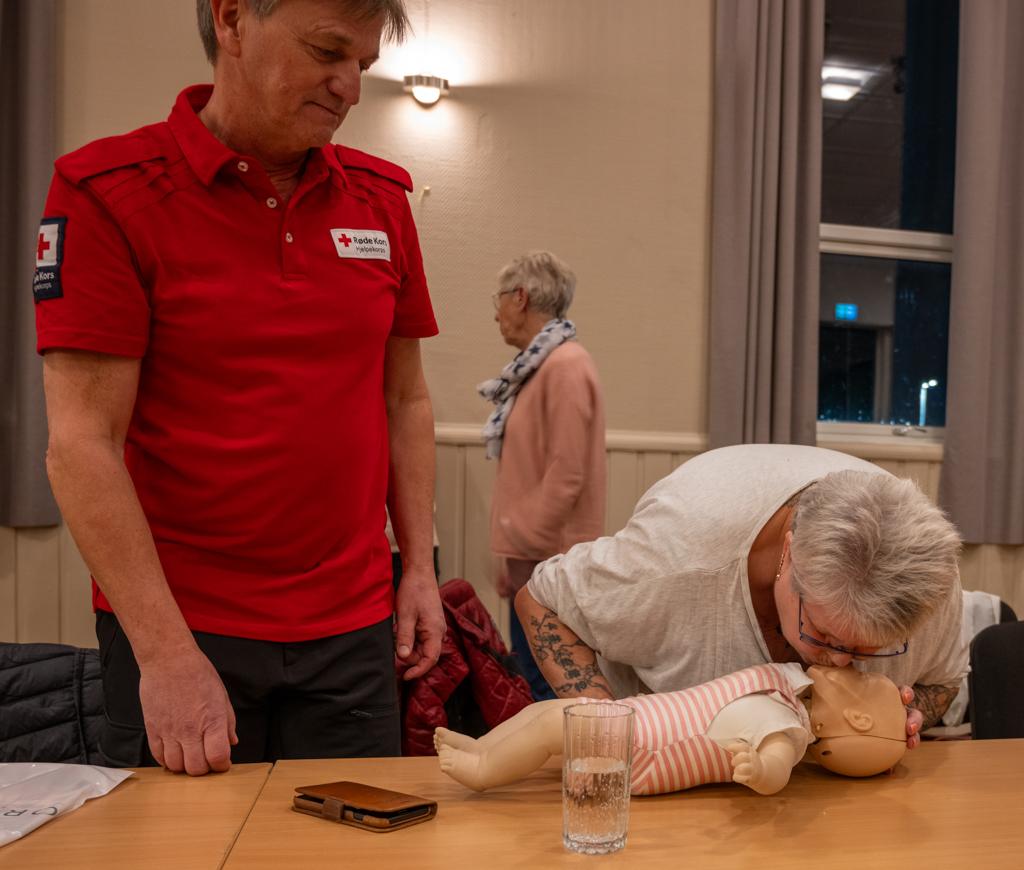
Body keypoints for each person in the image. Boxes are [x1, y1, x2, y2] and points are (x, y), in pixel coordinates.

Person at [34, 0, 444, 776]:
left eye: (363, 63)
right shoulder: (105, 193)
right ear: (230, 21)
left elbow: (405, 401)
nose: (349, 86)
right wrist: (165, 655)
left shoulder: (383, 199)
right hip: (187, 629)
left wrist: (417, 567)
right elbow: (82, 444)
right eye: (327, 51)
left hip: (353, 628)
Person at [514, 444, 966, 748]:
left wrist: (910, 717)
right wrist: (609, 737)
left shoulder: (930, 585)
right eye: (825, 636)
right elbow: (541, 601)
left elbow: (943, 681)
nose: (842, 663)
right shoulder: (674, 558)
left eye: (869, 650)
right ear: (788, 554)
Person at [435, 663, 908, 795]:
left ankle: (483, 773)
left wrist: (761, 768)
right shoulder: (789, 685)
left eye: (862, 677)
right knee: (542, 714)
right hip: (637, 716)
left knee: (547, 733)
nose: (851, 663)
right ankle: (481, 746)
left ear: (859, 721)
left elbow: (779, 770)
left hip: (646, 748)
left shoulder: (786, 725)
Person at [478, 251, 606, 700]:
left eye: (498, 299)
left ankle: (561, 773)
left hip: (549, 565)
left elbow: (566, 474)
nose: (495, 313)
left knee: (548, 688)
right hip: (533, 560)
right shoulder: (538, 367)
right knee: (532, 681)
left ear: (521, 297)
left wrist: (520, 545)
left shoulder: (565, 366)